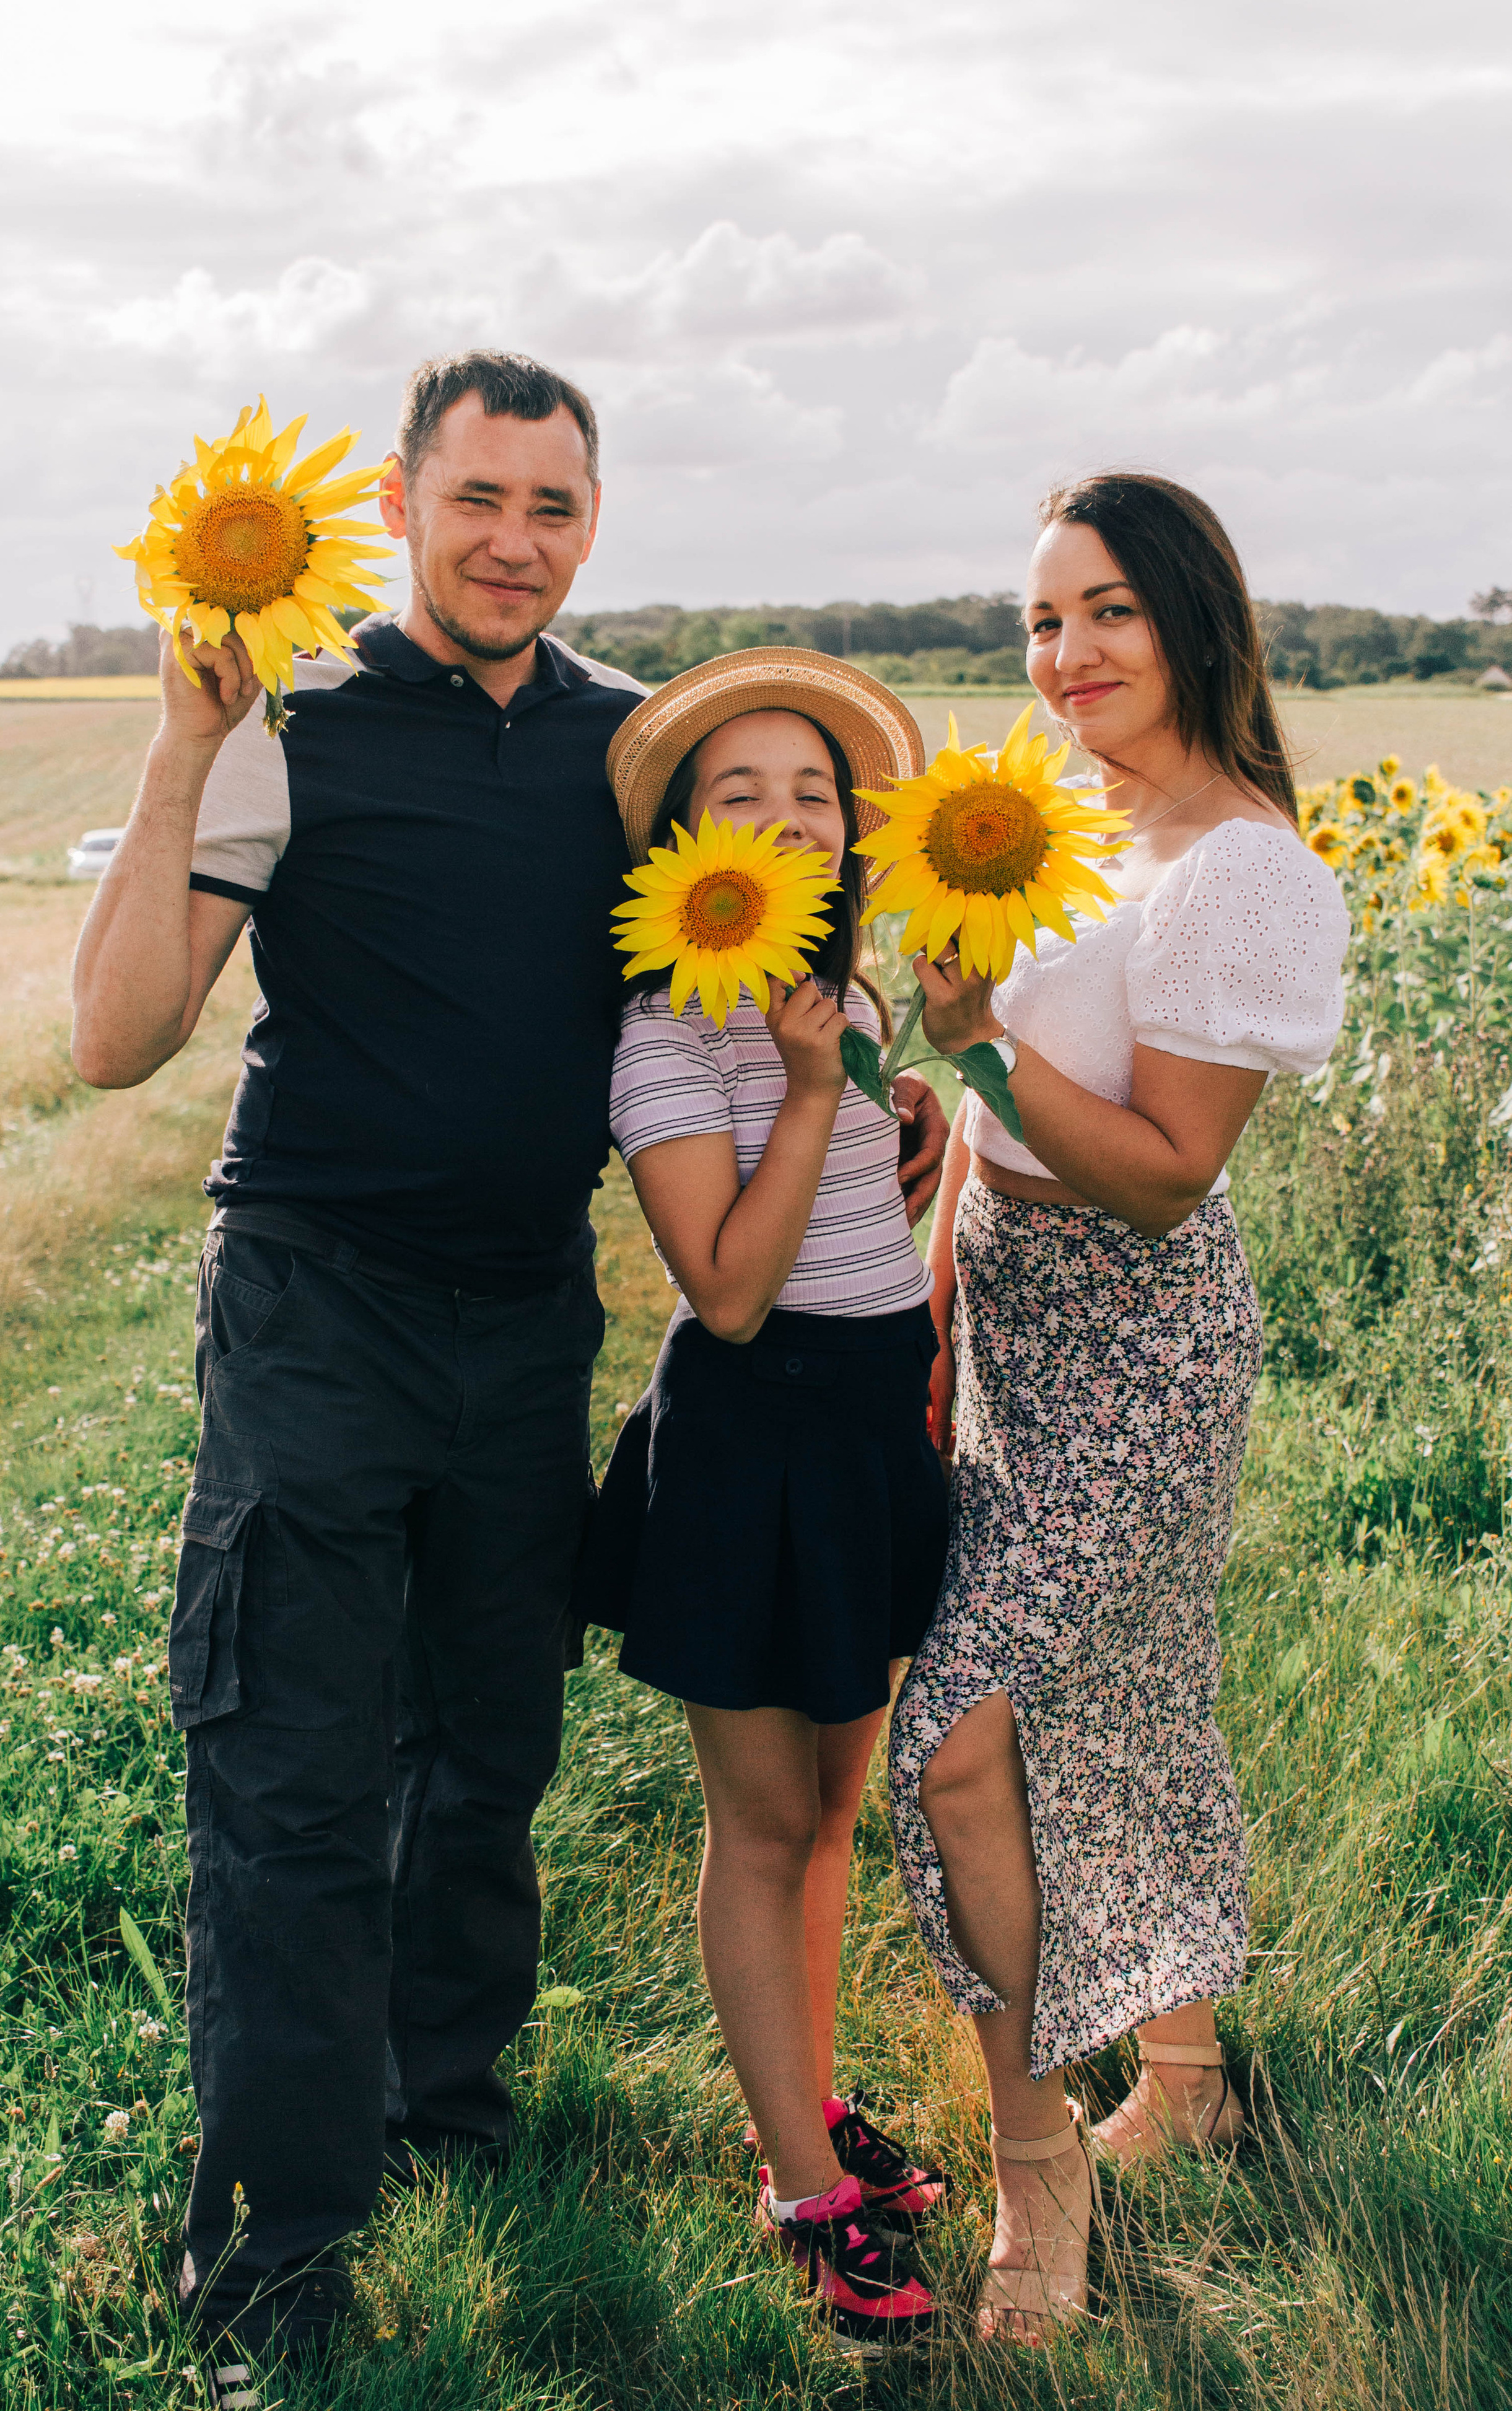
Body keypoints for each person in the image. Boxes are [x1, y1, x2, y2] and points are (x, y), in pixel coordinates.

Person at [69, 352, 949, 2384]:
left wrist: (881, 1098)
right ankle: (279, 2248)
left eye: (553, 506)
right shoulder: (293, 723)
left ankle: (443, 2114)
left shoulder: (623, 755)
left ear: (592, 522)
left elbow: (752, 958)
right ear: (398, 502)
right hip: (317, 1300)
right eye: (478, 497)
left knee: (487, 1751)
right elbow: (114, 1041)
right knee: (293, 1772)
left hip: (526, 1313)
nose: (513, 541)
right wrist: (182, 747)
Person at [886, 472, 1350, 2343]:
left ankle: (1042, 2179)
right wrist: (937, 1291)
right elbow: (986, 1122)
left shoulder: (1244, 872)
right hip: (1007, 1307)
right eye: (1042, 621)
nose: (1065, 655)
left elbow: (1165, 1174)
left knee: (958, 1736)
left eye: (1107, 614)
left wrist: (982, 1044)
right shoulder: (1066, 823)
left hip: (1141, 1343)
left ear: (1191, 620)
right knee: (1126, 1692)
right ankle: (1190, 2073)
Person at [575, 651, 953, 2356]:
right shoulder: (670, 1030)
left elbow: (853, 1215)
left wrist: (891, 1110)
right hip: (751, 1441)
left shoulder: (842, 1003)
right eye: (743, 794)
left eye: (816, 793)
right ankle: (803, 2187)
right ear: (686, 842)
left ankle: (801, 2099)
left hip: (866, 1430)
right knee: (763, 1823)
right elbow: (728, 1289)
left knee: (835, 1809)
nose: (789, 819)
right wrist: (811, 1098)